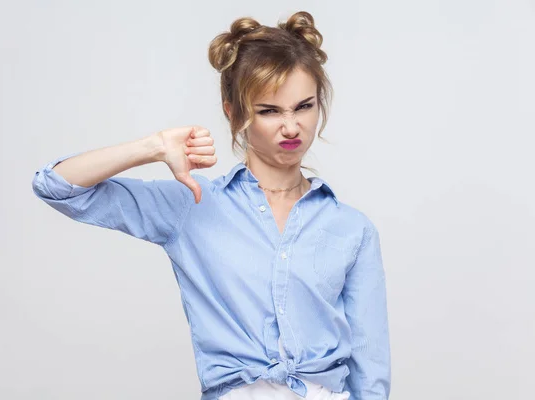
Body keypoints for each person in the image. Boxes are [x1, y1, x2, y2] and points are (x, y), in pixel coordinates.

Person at [31, 10, 390, 400]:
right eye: (269, 111)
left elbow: (371, 374)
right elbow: (56, 186)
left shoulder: (352, 229)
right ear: (232, 112)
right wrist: (151, 147)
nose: (291, 127)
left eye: (304, 106)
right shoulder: (194, 204)